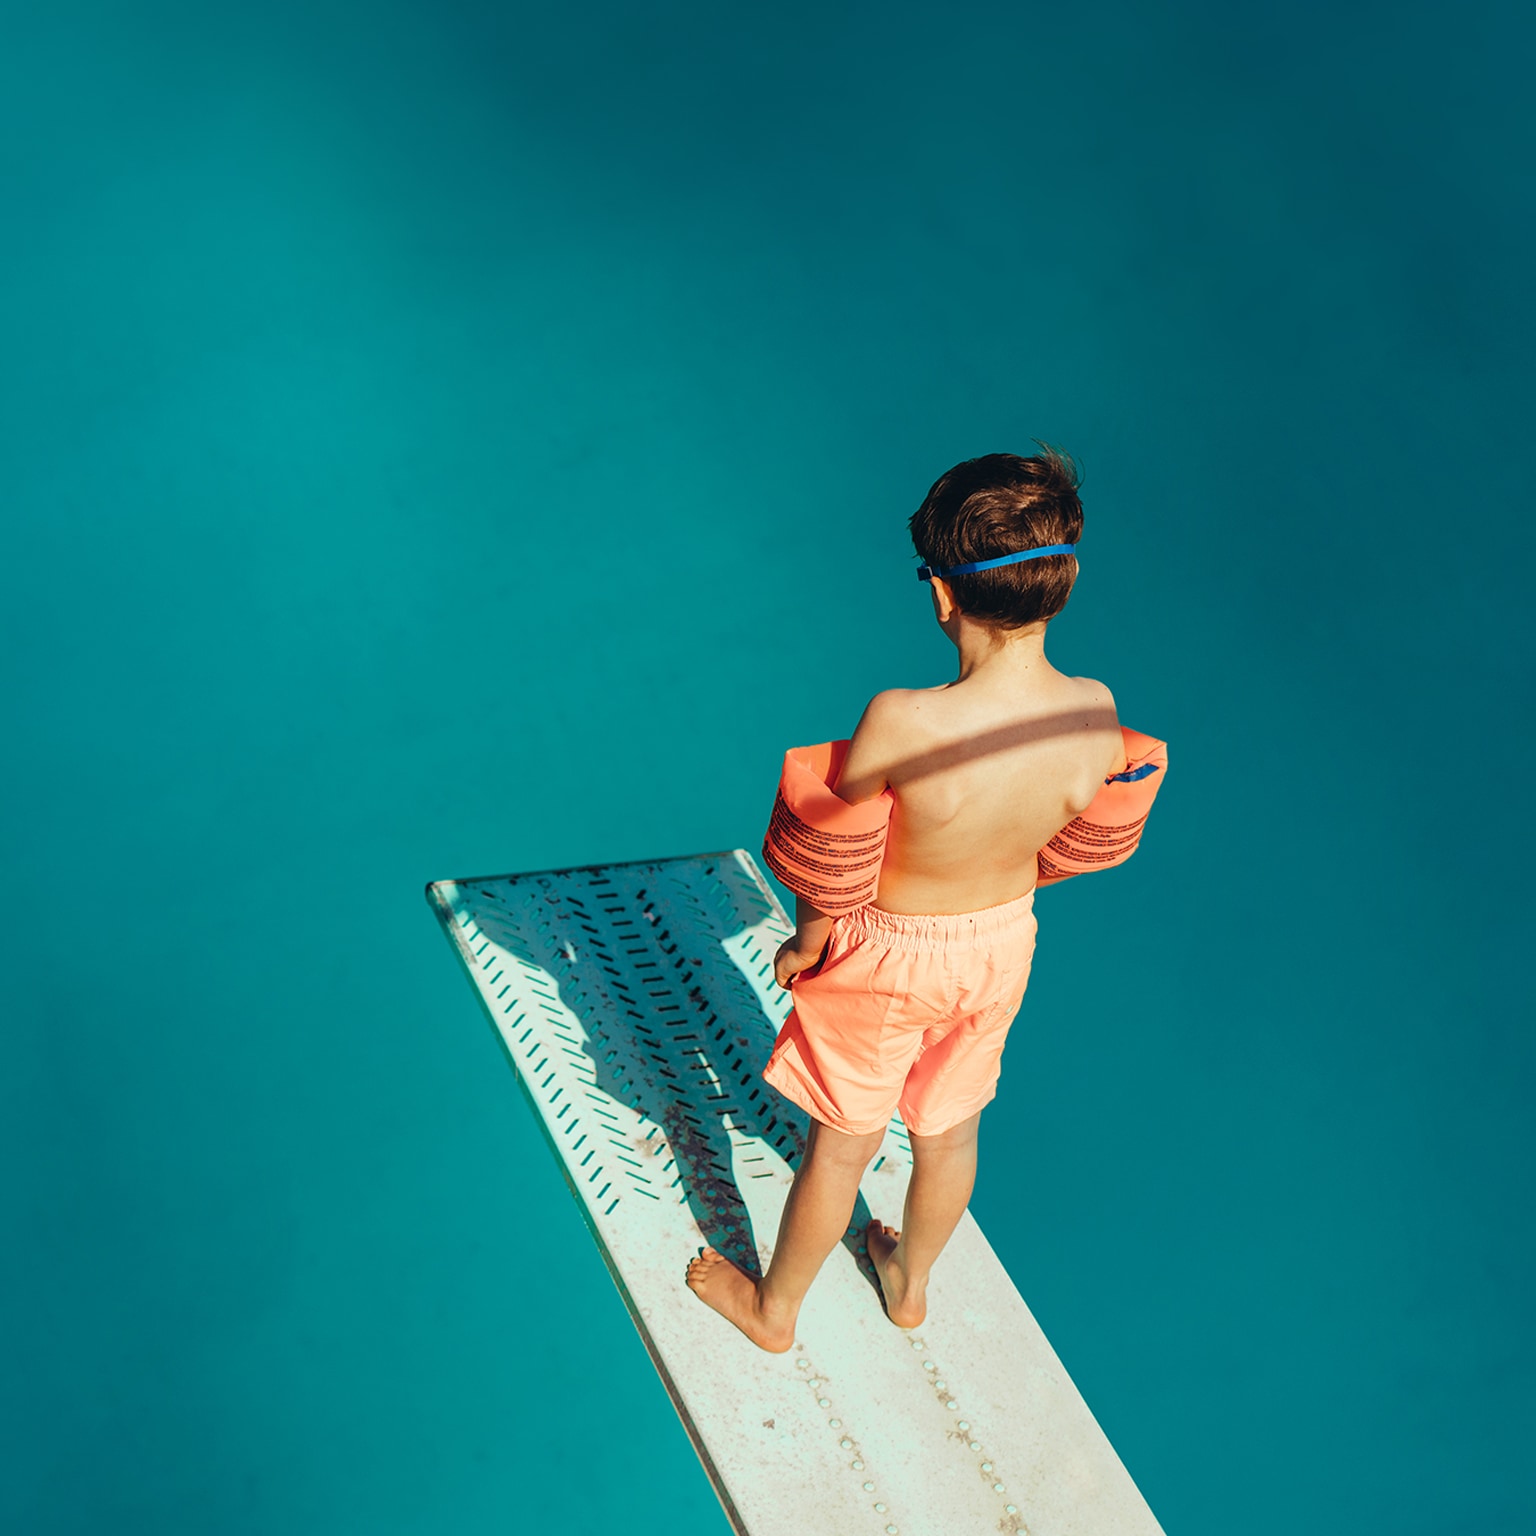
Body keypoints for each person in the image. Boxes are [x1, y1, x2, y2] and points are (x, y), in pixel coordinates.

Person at [686, 446, 1164, 1352]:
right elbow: (1069, 829)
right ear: (1057, 587)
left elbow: (834, 848)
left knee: (844, 1142)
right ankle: (908, 1286)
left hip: (889, 953)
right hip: (1000, 943)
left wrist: (808, 940)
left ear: (942, 595)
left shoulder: (904, 720)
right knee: (949, 1132)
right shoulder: (1095, 712)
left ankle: (773, 1310)